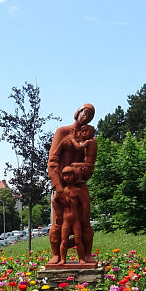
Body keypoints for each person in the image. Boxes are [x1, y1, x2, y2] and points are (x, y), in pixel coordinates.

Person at [47, 103, 97, 265]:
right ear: (78, 112)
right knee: (59, 221)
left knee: (84, 219)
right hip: (62, 184)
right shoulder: (63, 132)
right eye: (85, 113)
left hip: (79, 185)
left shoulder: (88, 137)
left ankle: (86, 254)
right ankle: (57, 255)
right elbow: (53, 161)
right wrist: (58, 187)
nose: (85, 118)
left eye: (89, 116)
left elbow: (90, 165)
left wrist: (85, 170)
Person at [58, 166, 87, 265]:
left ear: (74, 176)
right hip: (66, 220)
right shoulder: (61, 191)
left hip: (75, 220)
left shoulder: (77, 191)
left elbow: (84, 204)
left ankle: (81, 259)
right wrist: (58, 214)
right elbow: (54, 201)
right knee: (64, 241)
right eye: (65, 175)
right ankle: (62, 259)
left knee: (78, 240)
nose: (67, 177)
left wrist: (84, 217)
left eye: (69, 175)